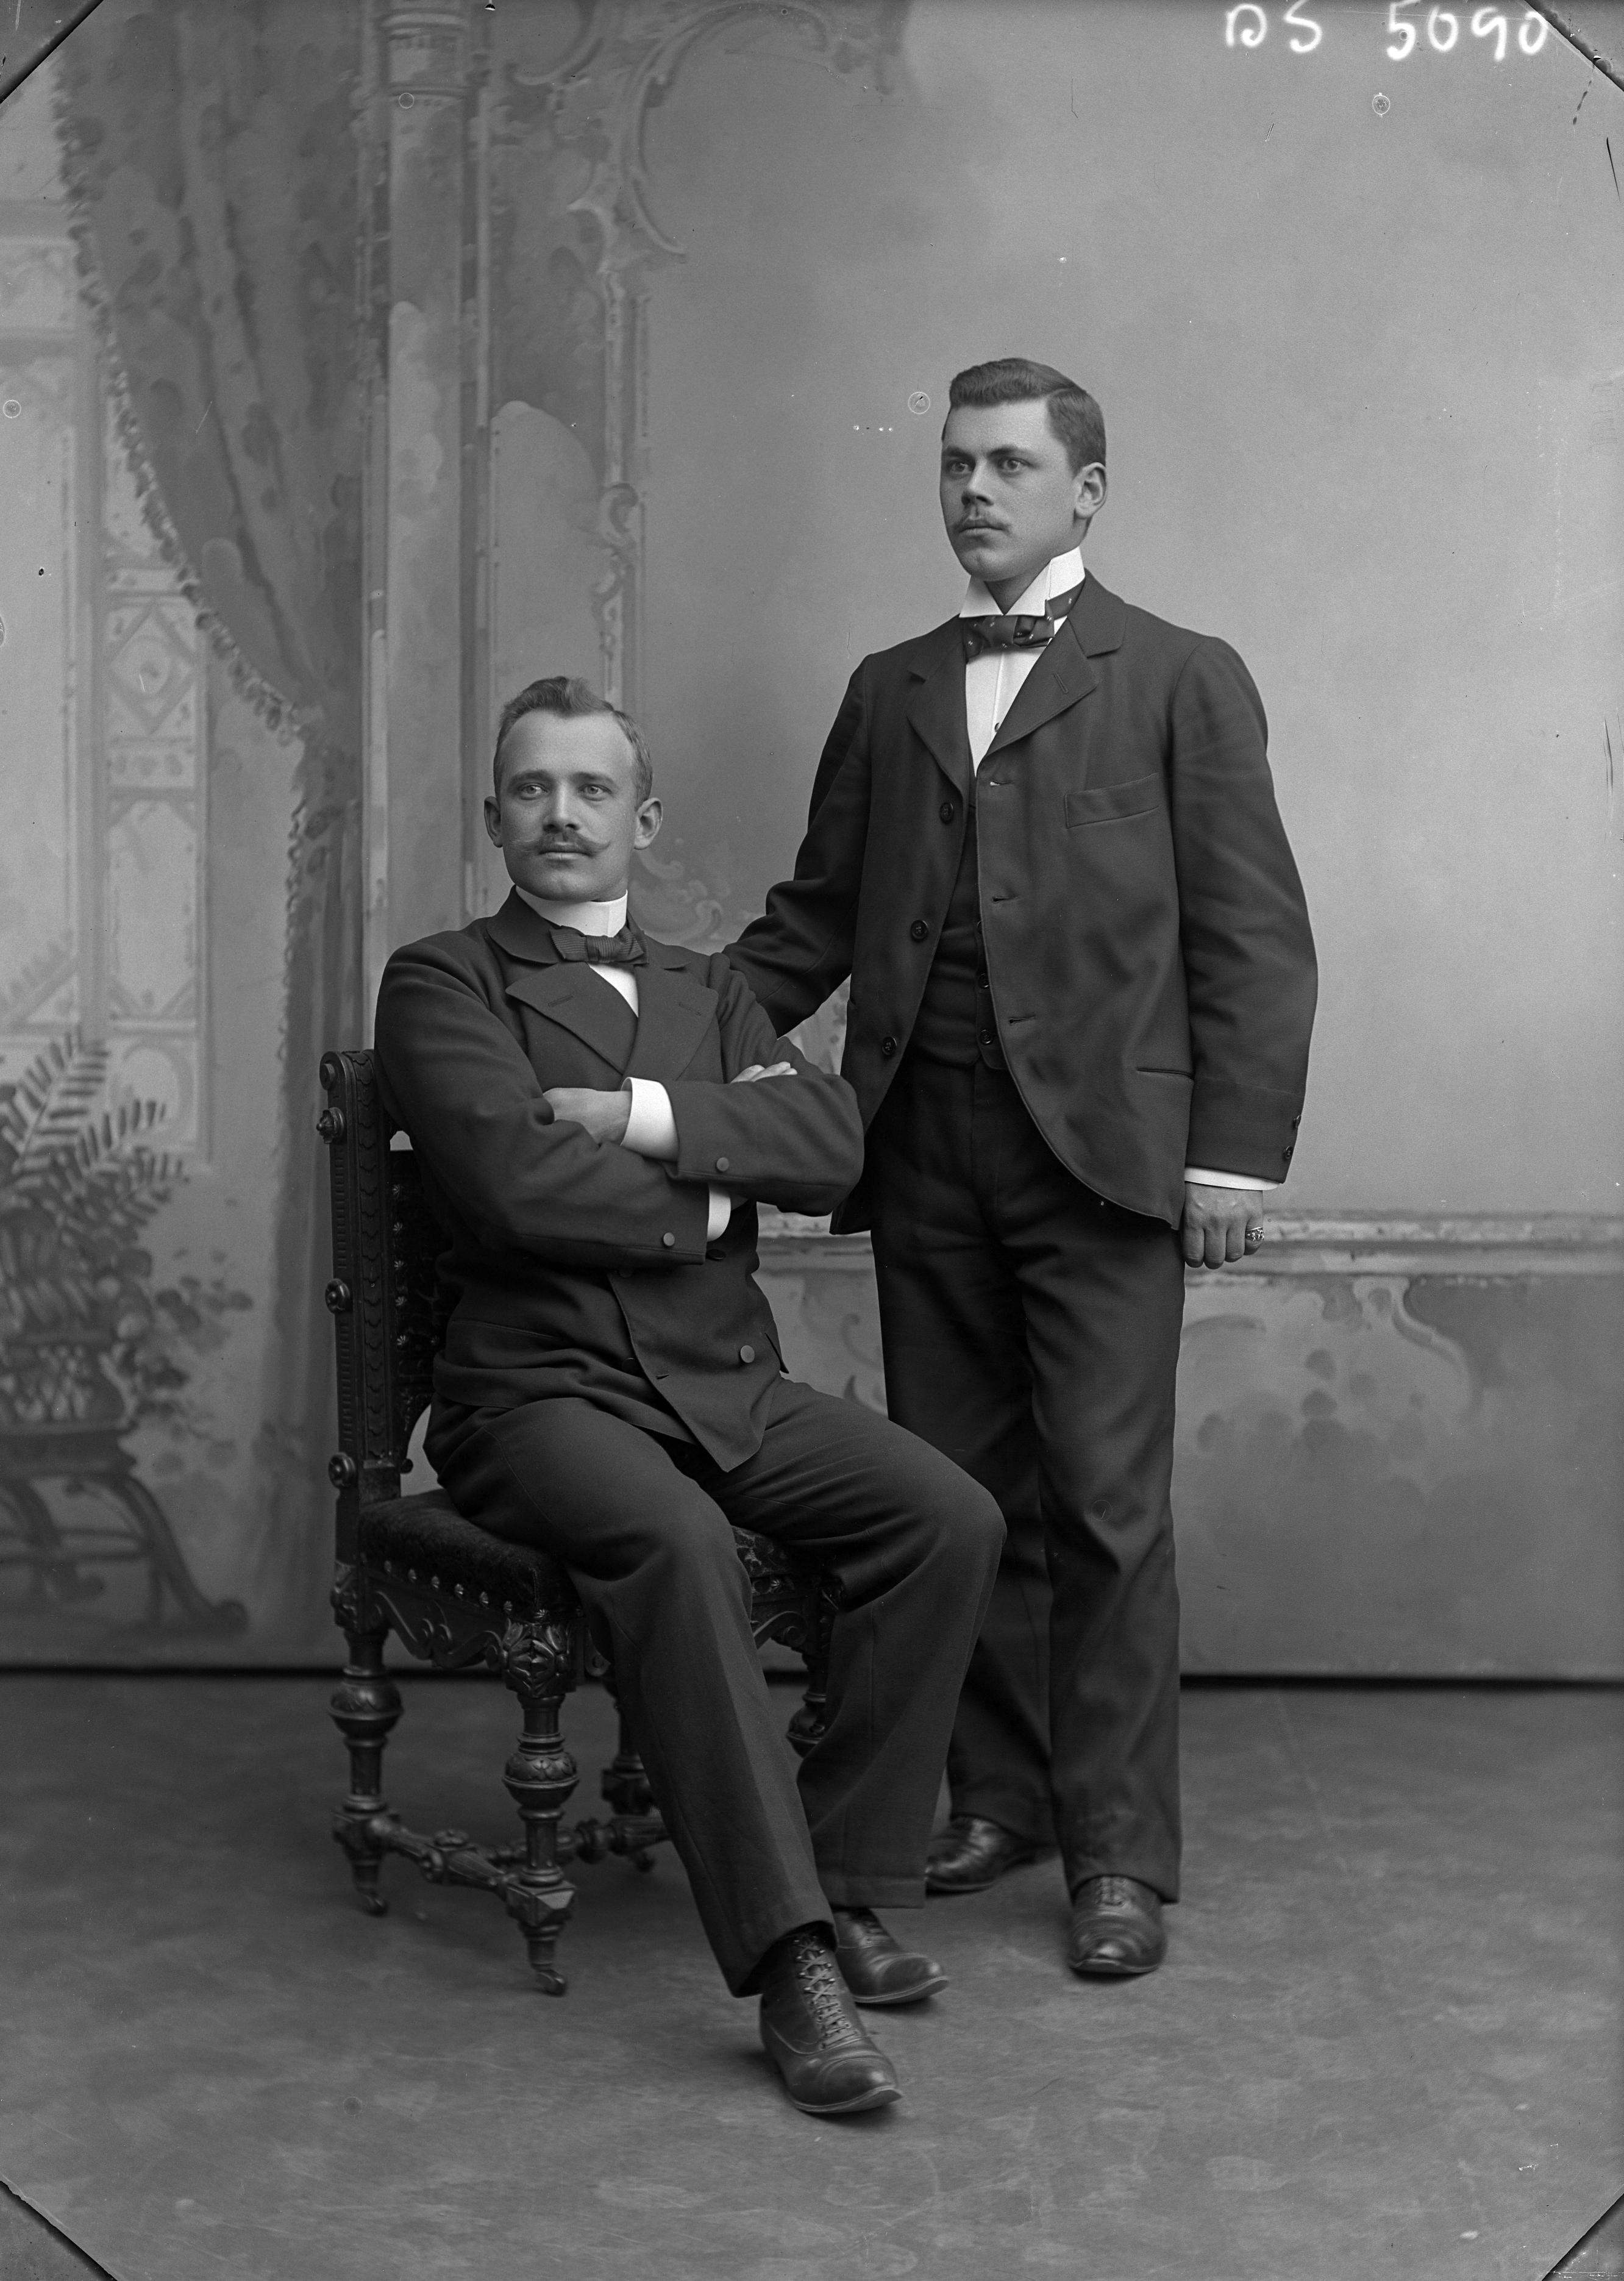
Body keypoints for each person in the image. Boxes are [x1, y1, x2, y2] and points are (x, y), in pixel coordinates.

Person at [726, 357, 1317, 1977]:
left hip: (1107, 1158)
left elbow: (1255, 936)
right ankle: (998, 1792)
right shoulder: (891, 687)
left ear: (1087, 489)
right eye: (955, 465)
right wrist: (646, 1026)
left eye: (1008, 464)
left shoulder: (1182, 676)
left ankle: (1117, 1846)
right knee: (960, 1494)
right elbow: (813, 921)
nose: (975, 490)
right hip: (924, 1143)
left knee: (1109, 1506)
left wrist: (1232, 1161)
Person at [372, 674, 1004, 2115]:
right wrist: (722, 1194)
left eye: (592, 789)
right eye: (532, 788)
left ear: (643, 820)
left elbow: (831, 1143)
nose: (562, 814)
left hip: (723, 1383)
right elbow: (515, 1186)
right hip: (539, 1398)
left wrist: (641, 1117)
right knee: (678, 1537)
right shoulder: (443, 979)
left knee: (947, 1517)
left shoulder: (713, 988)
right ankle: (791, 1960)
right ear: (494, 817)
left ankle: (841, 1873)